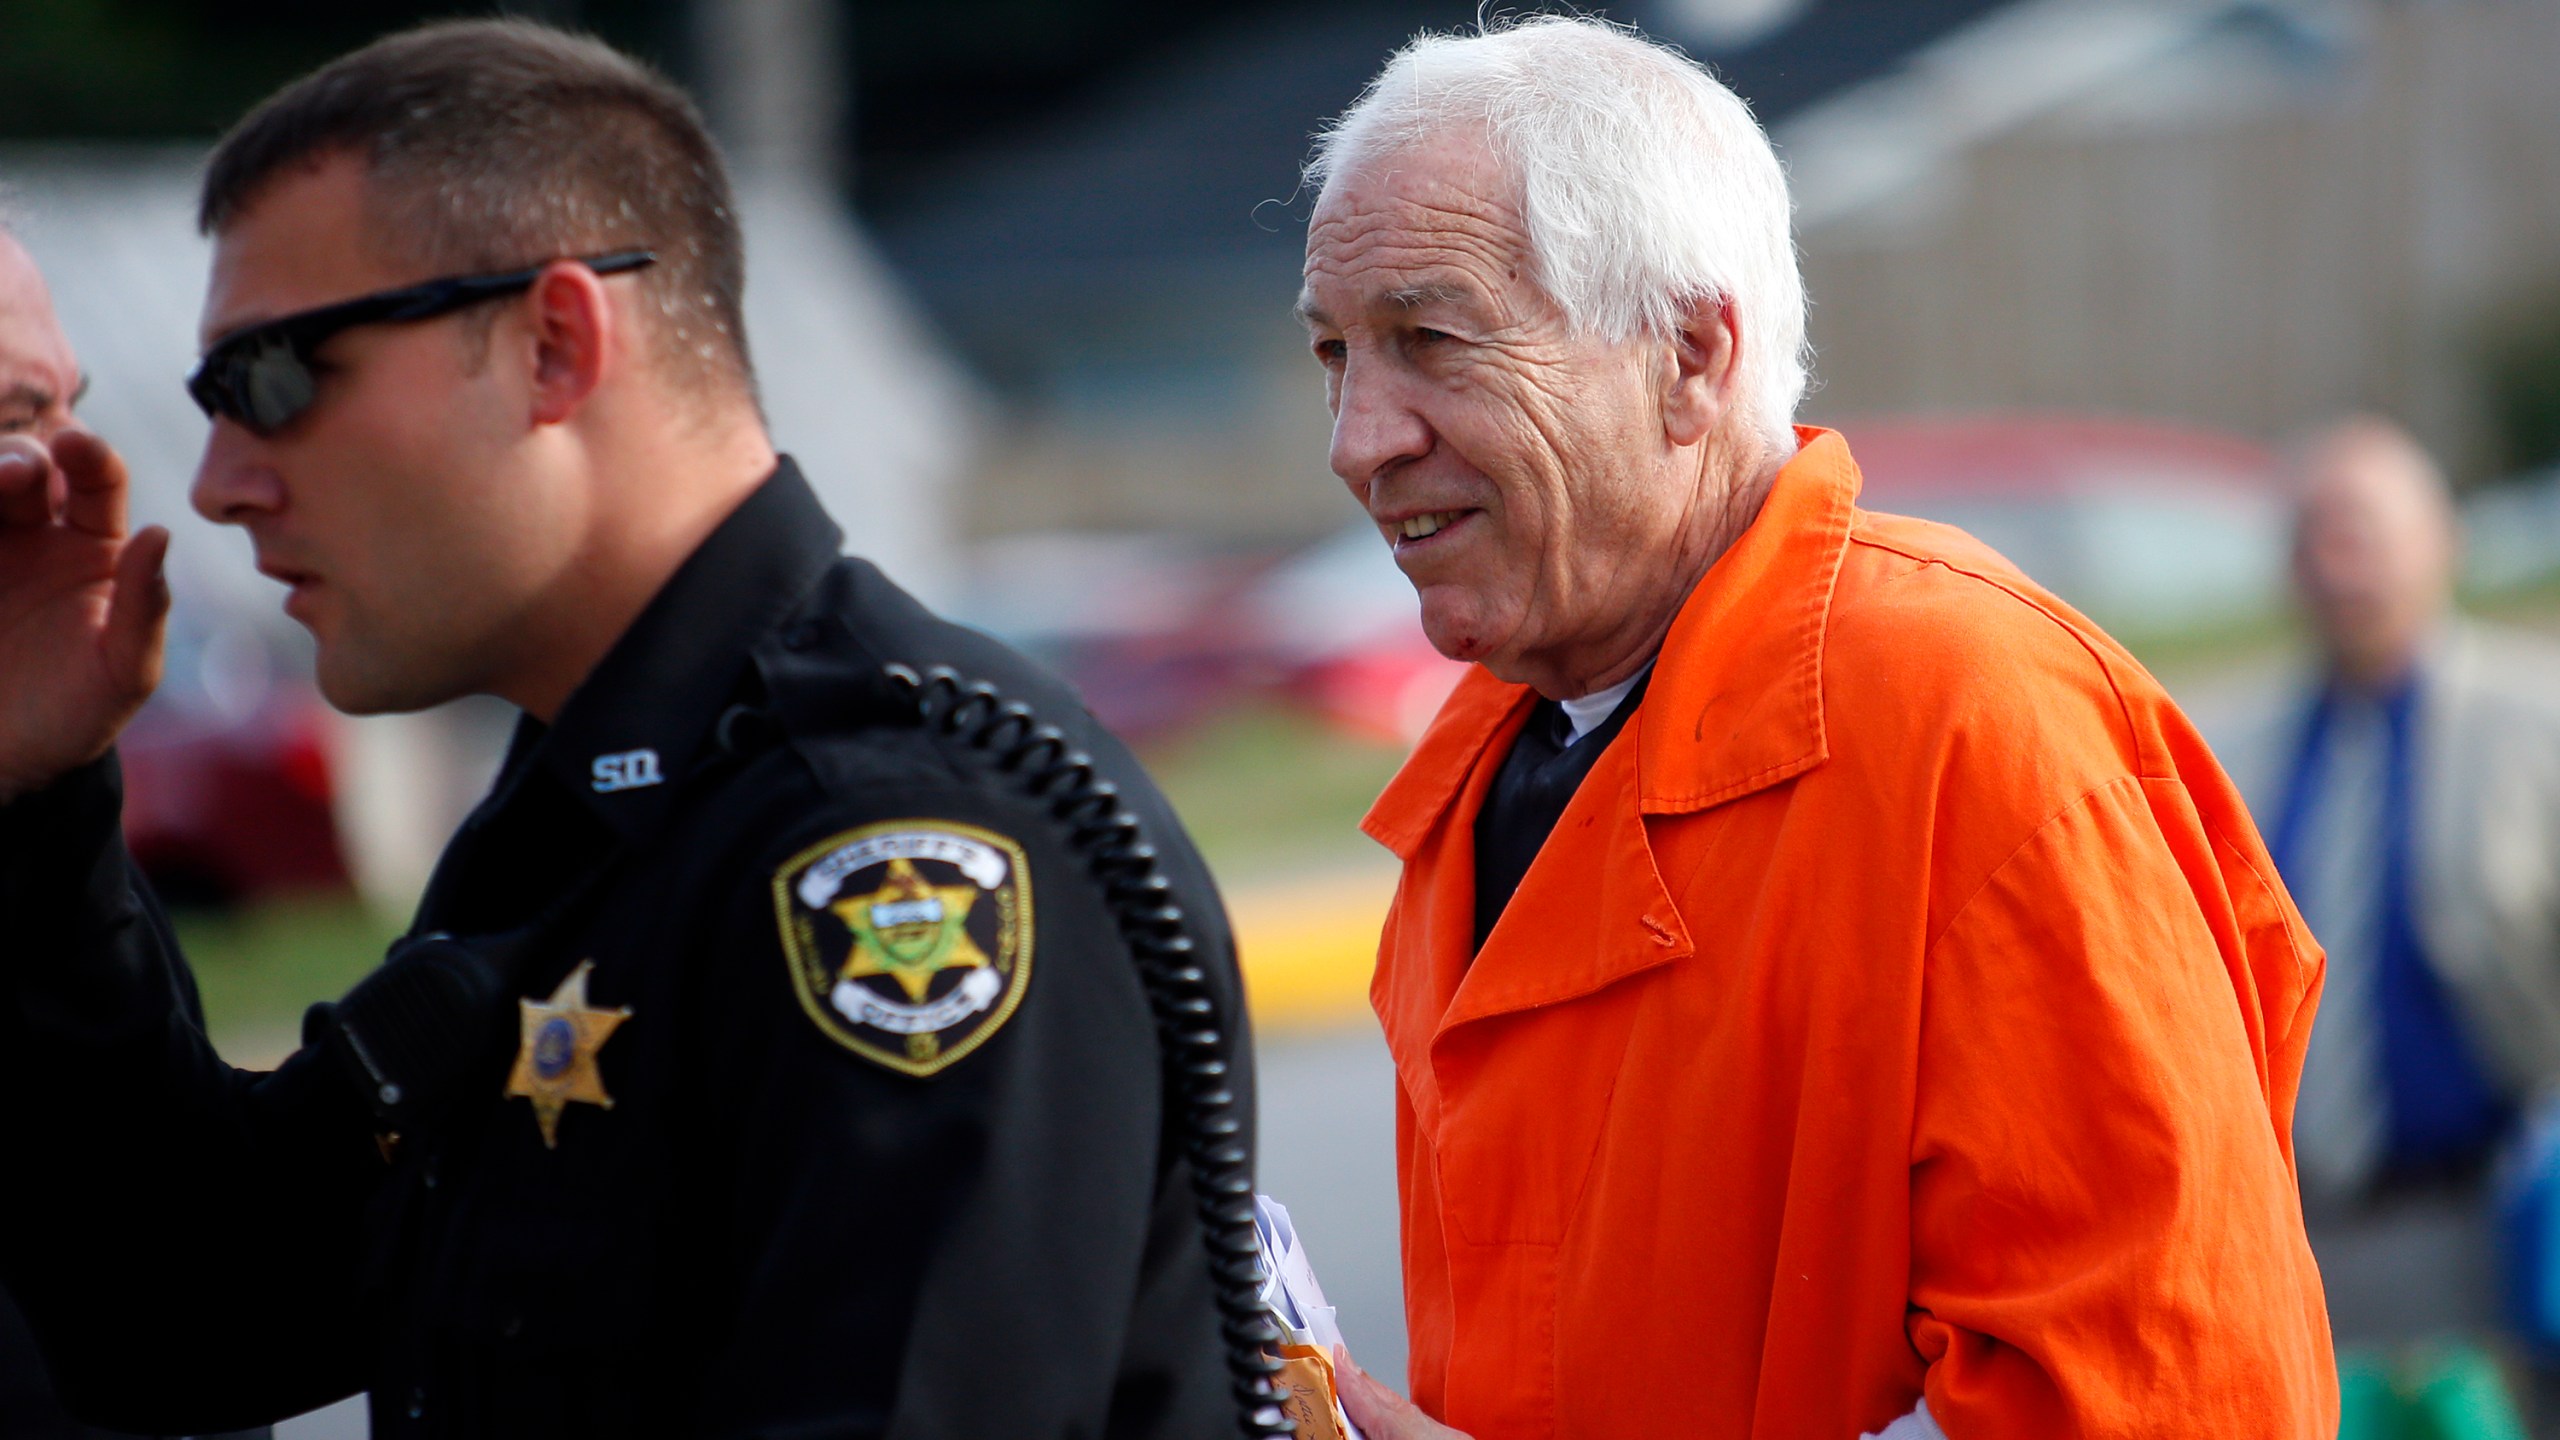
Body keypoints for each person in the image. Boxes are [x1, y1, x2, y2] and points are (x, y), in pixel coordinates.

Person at [0, 20, 1249, 1438]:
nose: (221, 485)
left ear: (553, 344)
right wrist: (35, 797)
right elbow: (188, 1317)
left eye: (275, 383)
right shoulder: (599, 804)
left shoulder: (892, 837)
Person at [1293, 17, 2335, 1439]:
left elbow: (2178, 1407)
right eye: (1337, 355)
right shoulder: (1478, 773)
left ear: (1691, 356)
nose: (1358, 438)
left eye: (1431, 340)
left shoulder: (1975, 726)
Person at [0, 225, 275, 1440]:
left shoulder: (39, 840)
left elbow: (193, 1334)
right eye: (6, 419)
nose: (66, 474)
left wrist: (36, 795)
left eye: (65, 411)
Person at [2230, 417, 2560, 1363]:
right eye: (2315, 538)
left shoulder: (2536, 734)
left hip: (2487, 1232)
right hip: (2292, 1240)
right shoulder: (2232, 756)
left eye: (2365, 532)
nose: (2341, 566)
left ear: (2442, 542)